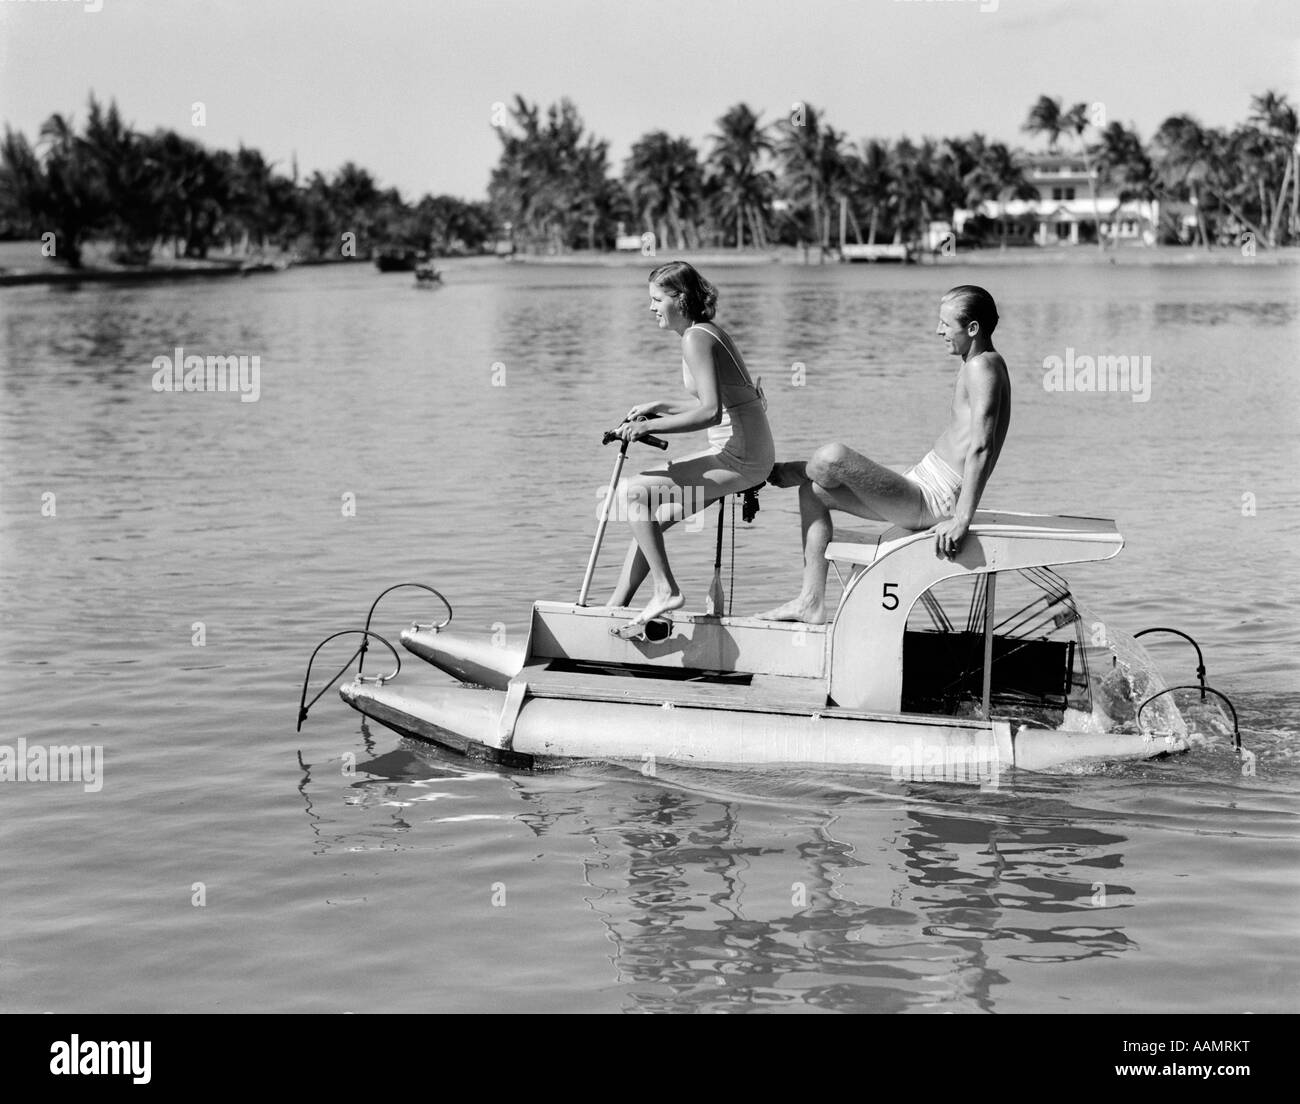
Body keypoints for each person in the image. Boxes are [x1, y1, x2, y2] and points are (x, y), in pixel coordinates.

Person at [758, 285, 1010, 625]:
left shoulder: (983, 368)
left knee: (832, 456)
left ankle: (793, 470)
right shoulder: (979, 362)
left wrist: (962, 519)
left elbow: (983, 445)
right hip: (923, 481)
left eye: (945, 325)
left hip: (935, 500)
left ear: (973, 329)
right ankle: (810, 602)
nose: (938, 331)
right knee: (814, 493)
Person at [608, 261, 775, 633]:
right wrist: (661, 406)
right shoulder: (704, 332)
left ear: (679, 299)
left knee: (633, 493)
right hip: (743, 450)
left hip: (739, 456)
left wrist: (647, 427)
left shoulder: (695, 338)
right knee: (650, 519)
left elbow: (711, 413)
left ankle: (665, 591)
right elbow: (725, 403)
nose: (651, 308)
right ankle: (613, 609)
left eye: (656, 299)